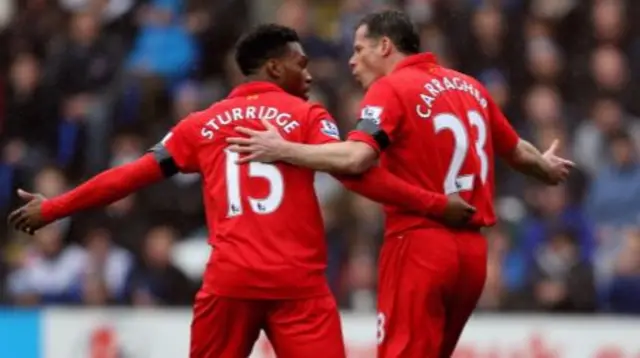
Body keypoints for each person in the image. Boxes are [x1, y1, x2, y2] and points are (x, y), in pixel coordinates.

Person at [7, 24, 475, 358]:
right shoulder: (309, 118)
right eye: (301, 64)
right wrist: (435, 205)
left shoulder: (200, 123)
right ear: (274, 67)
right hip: (299, 288)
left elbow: (129, 176)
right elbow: (359, 174)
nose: (310, 75)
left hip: (231, 283)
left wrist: (56, 207)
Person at [226, 11, 574, 358]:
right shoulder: (471, 87)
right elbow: (517, 151)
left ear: (386, 46)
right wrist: (546, 168)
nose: (351, 60)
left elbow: (356, 159)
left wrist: (283, 149)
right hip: (471, 257)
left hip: (420, 245)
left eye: (359, 49)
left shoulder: (391, 89)